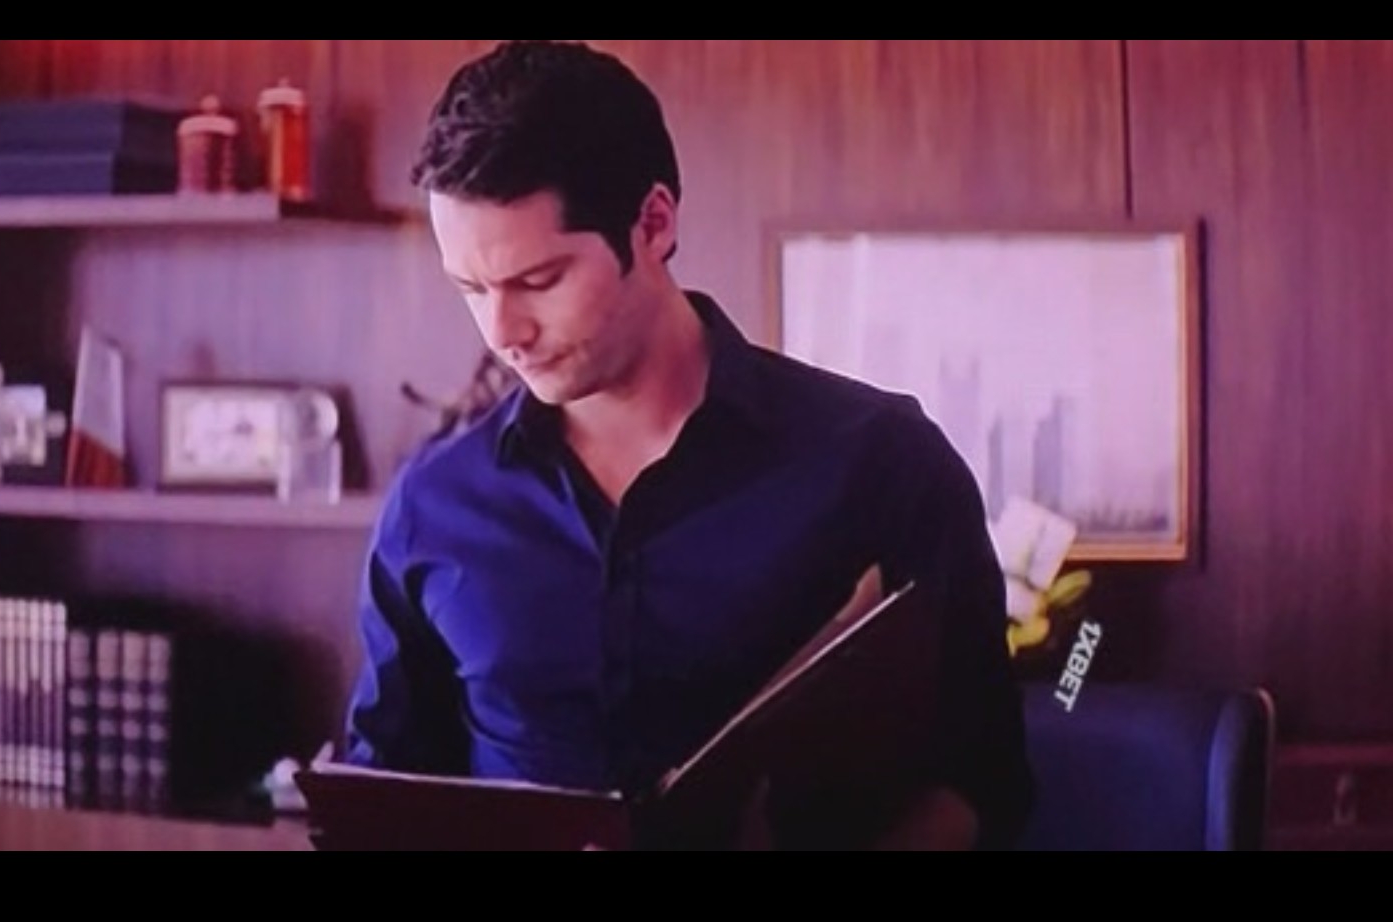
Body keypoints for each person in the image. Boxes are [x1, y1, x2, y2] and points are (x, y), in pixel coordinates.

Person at [339, 40, 1033, 850]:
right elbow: (380, 791)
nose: (503, 333)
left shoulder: (883, 464)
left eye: (539, 280)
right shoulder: (434, 505)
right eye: (470, 288)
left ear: (654, 223)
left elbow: (981, 776)